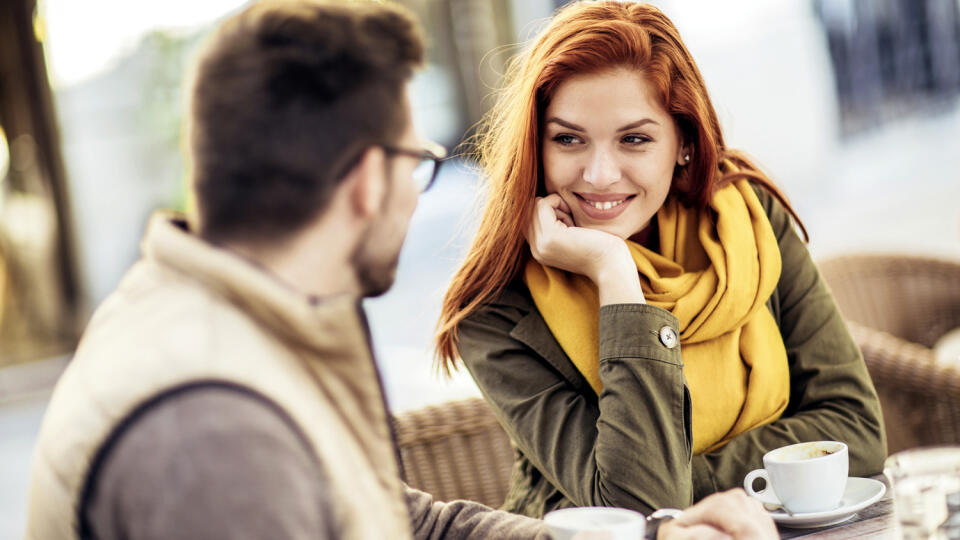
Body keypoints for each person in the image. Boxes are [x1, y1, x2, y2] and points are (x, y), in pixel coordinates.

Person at [24, 1, 776, 539]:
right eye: (418, 164)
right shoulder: (214, 433)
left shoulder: (215, 313)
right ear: (363, 182)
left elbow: (397, 516)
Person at [436, 0, 887, 519]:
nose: (600, 174)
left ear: (684, 143)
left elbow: (856, 428)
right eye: (567, 139)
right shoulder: (498, 311)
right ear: (534, 147)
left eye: (634, 139)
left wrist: (681, 479)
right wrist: (613, 273)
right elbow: (638, 507)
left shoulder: (746, 218)